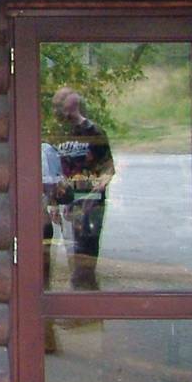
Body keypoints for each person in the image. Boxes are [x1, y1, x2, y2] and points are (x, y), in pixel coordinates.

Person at [50, 86, 116, 289]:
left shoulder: (94, 132)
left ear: (72, 107)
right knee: (73, 255)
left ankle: (87, 302)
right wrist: (52, 203)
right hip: (66, 204)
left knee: (86, 256)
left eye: (62, 107)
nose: (60, 113)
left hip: (91, 204)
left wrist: (96, 191)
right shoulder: (57, 134)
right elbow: (51, 171)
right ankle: (79, 300)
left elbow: (108, 169)